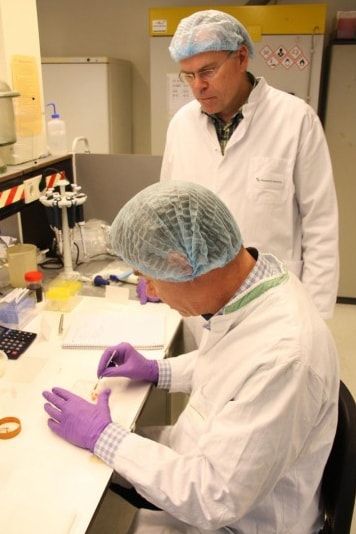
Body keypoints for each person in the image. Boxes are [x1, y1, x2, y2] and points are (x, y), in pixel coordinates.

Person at [43, 181, 339, 533]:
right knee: (75, 461)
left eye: (149, 277)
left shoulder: (286, 355)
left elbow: (214, 497)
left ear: (181, 263)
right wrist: (158, 370)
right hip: (209, 463)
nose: (149, 290)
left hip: (241, 520)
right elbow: (233, 362)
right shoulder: (258, 290)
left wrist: (103, 436)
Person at [160, 9, 339, 321]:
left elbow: (320, 225)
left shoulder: (296, 120)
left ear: (241, 58)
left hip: (273, 304)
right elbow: (165, 211)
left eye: (208, 71)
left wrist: (316, 316)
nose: (197, 86)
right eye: (188, 75)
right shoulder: (180, 125)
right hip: (198, 304)